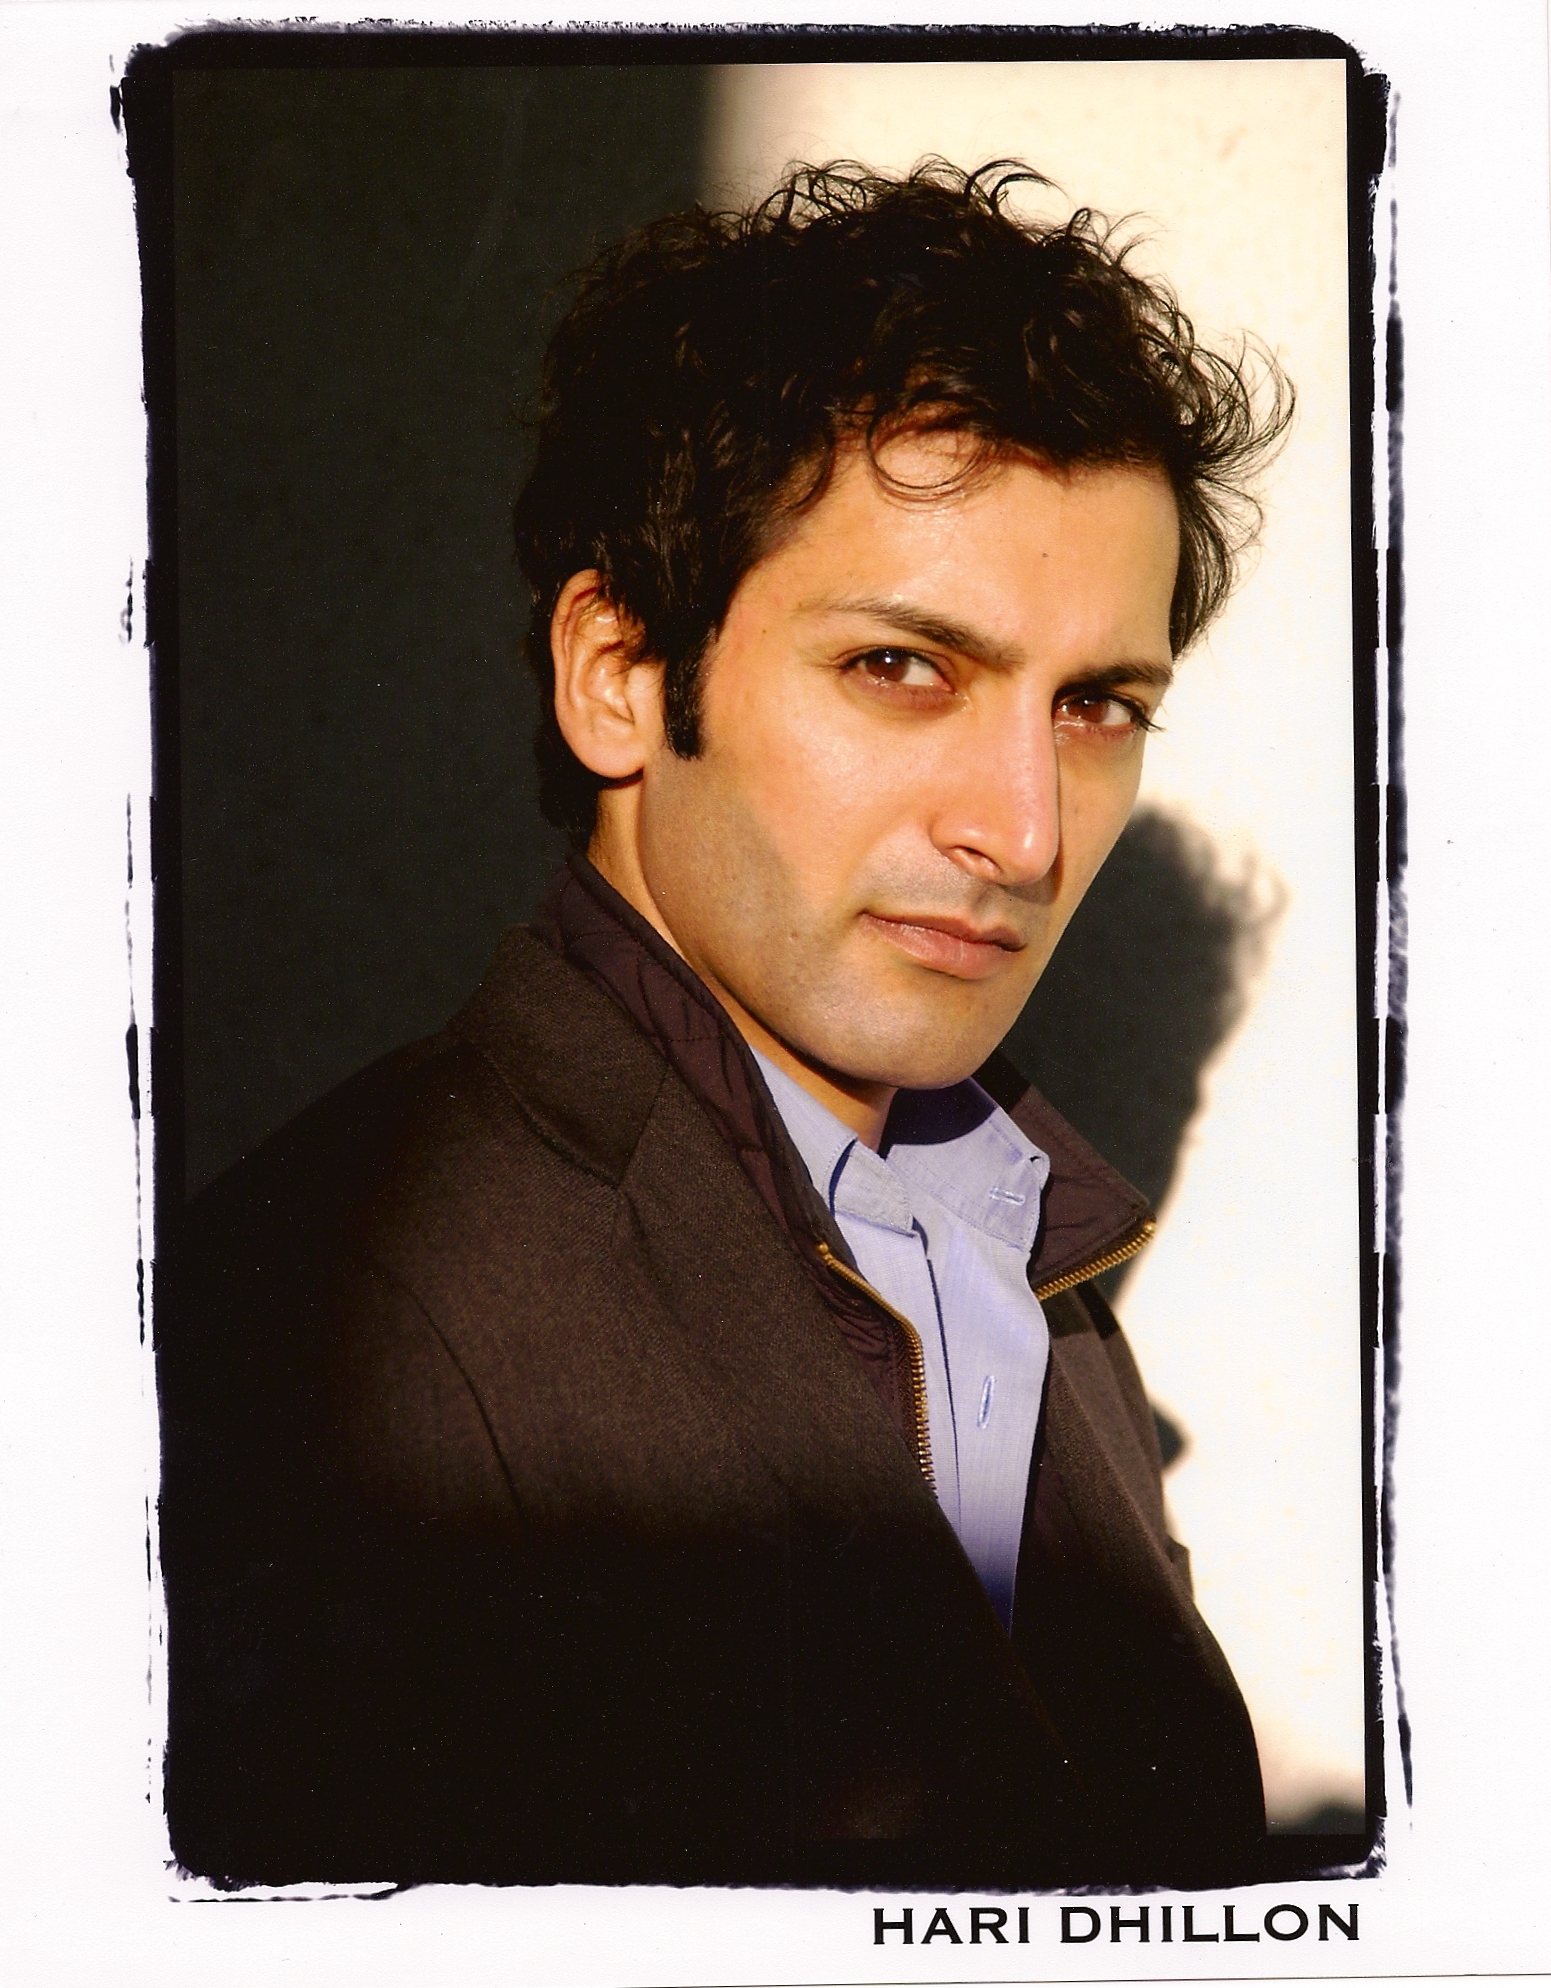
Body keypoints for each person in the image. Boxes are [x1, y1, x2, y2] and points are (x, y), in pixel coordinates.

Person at [158, 161, 1291, 1889]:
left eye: (1095, 707)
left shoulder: (1020, 1264)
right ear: (619, 675)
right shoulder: (325, 1321)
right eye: (902, 668)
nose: (1025, 831)